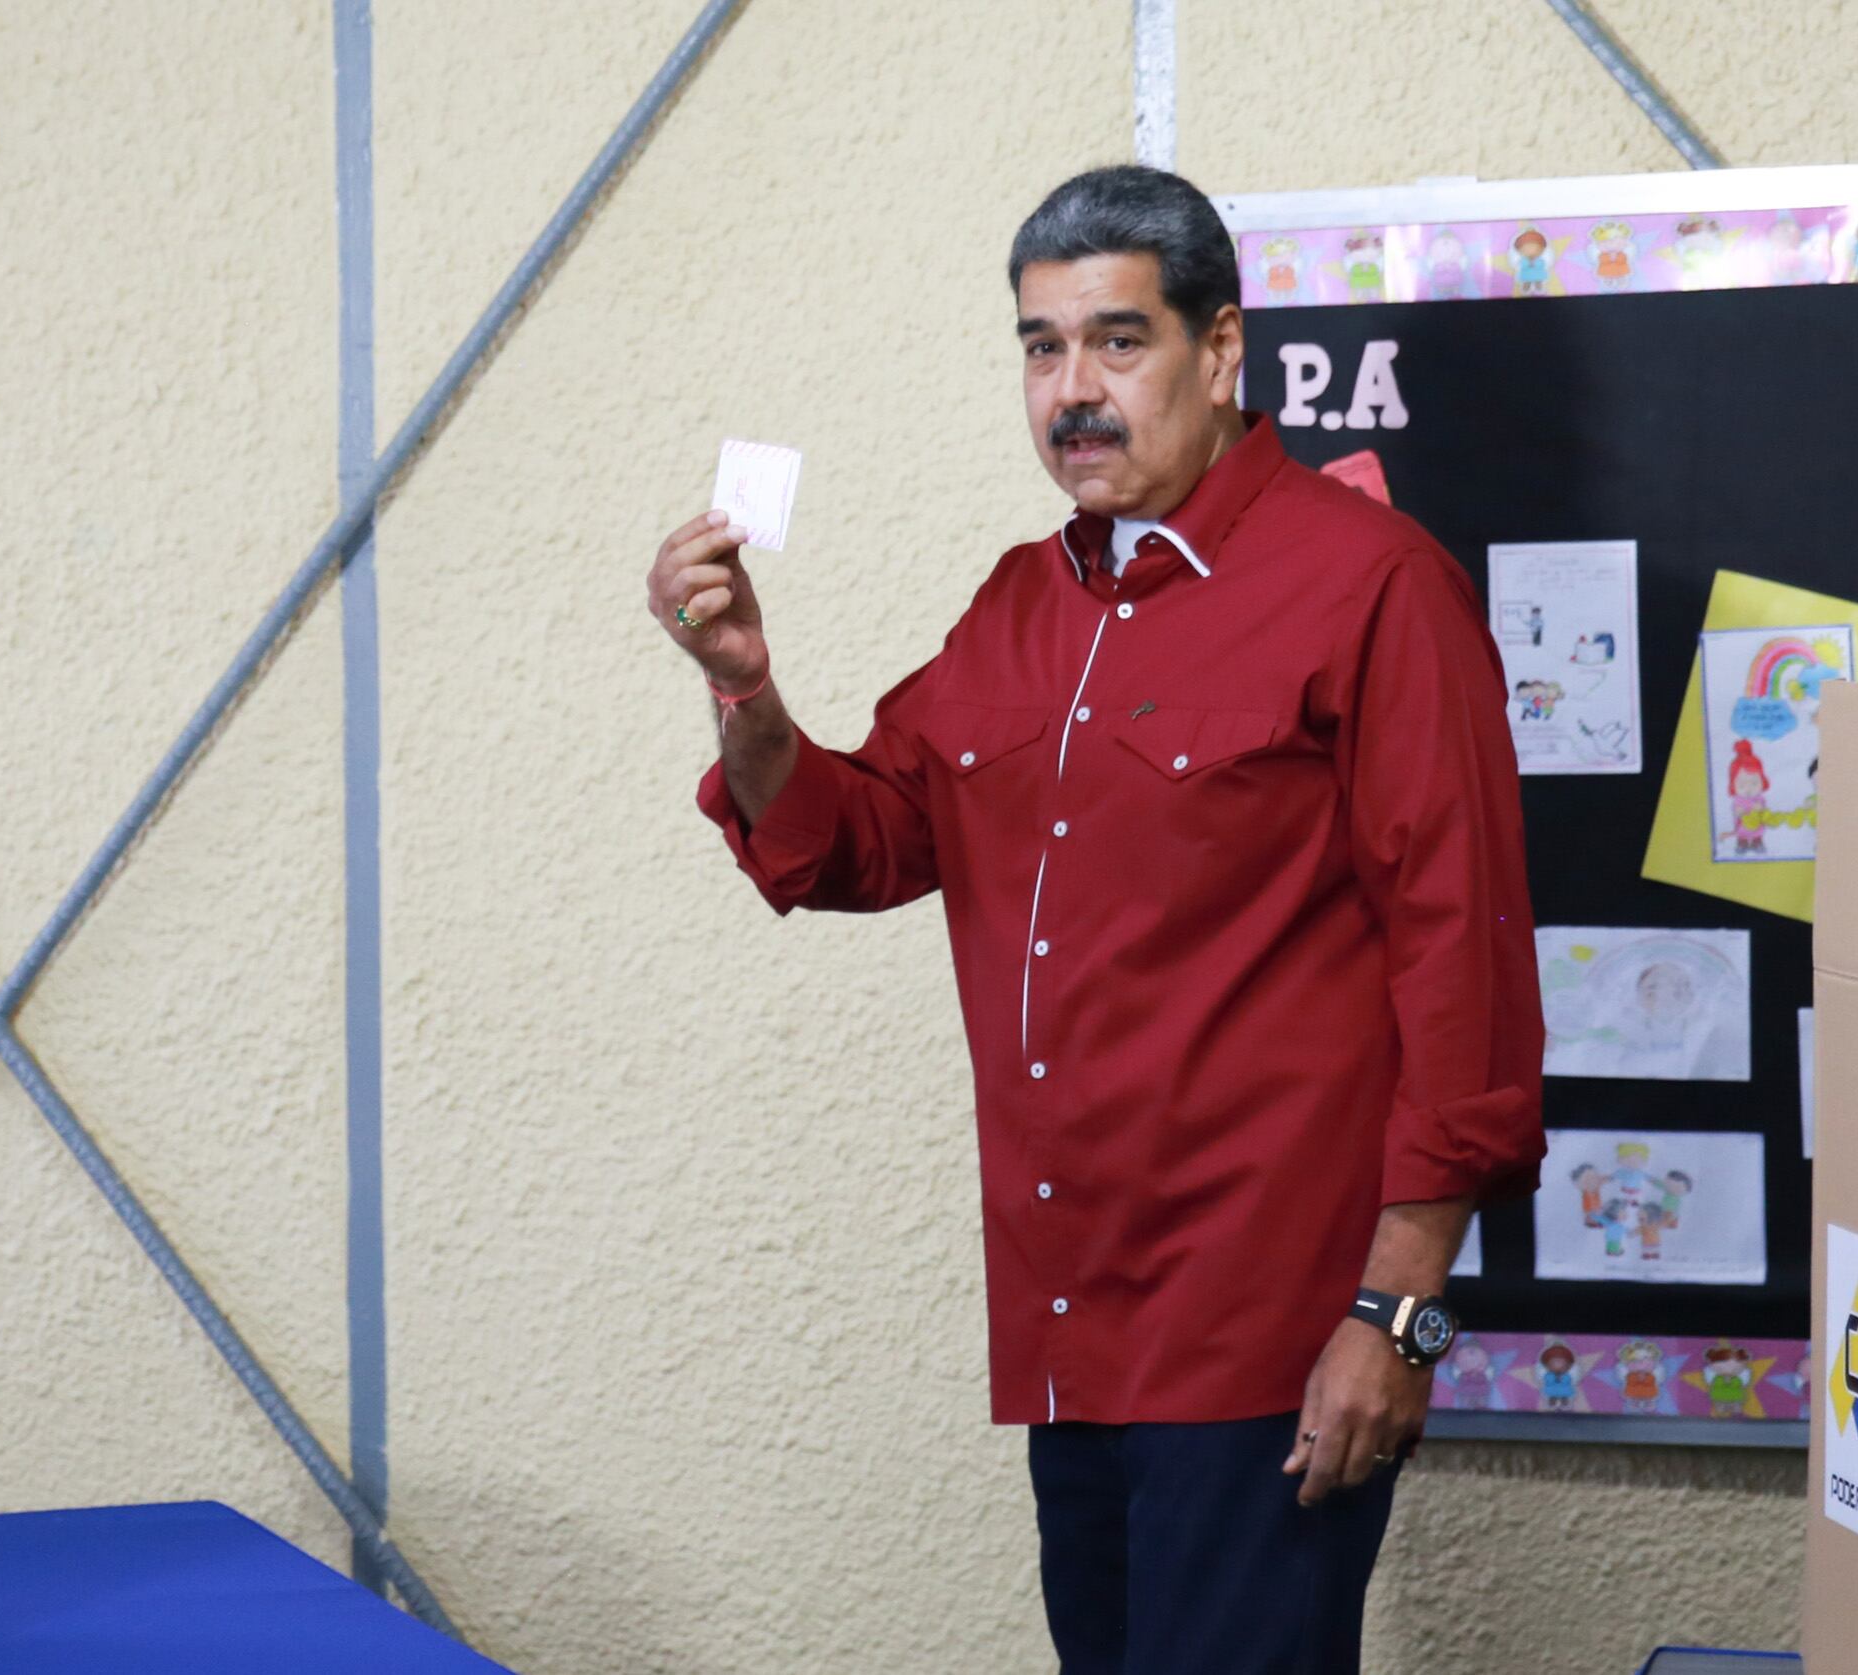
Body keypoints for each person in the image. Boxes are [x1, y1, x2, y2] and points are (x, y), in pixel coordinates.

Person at [643, 164, 1544, 1674]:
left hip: (1268, 1330)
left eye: (1117, 342)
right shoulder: (1020, 603)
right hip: (1070, 1325)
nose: (1073, 389)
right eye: (1040, 347)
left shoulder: (1371, 587)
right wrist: (742, 686)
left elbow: (1465, 965)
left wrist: (1397, 1319)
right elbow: (851, 843)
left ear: (1220, 351)